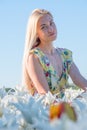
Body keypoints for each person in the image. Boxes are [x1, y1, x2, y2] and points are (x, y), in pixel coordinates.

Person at [22, 8, 87, 98]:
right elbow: (45, 94)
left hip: (63, 108)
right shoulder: (34, 57)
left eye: (51, 23)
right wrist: (69, 108)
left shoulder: (65, 55)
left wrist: (75, 104)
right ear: (36, 33)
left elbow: (80, 80)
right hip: (43, 110)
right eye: (43, 27)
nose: (50, 29)